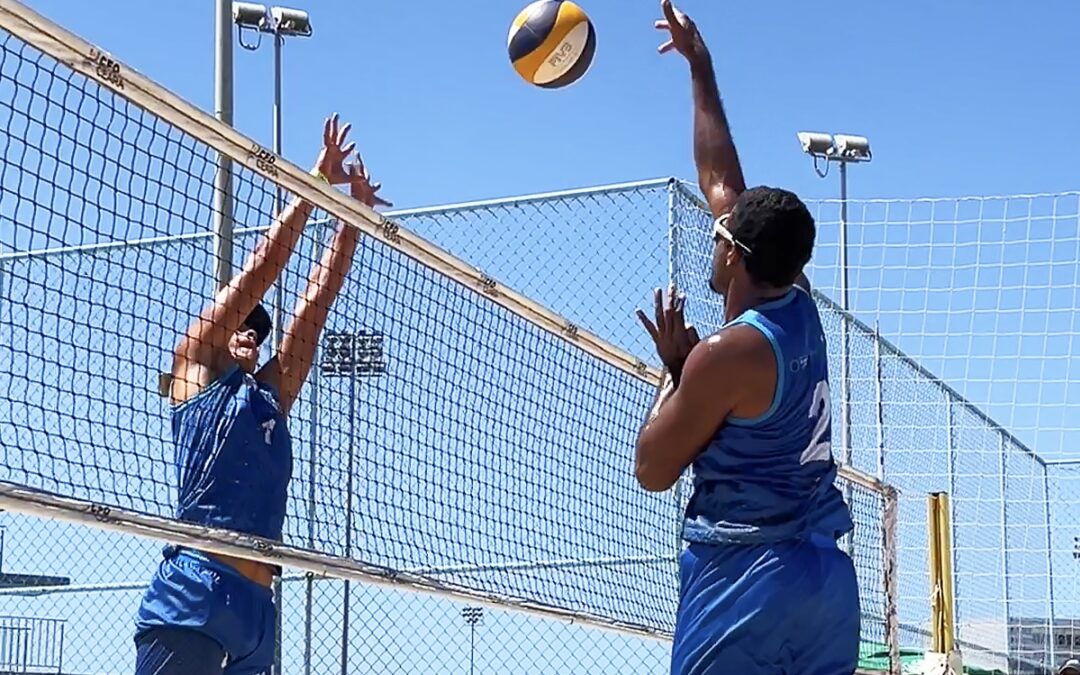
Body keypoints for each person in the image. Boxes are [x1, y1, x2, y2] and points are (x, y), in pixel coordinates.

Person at [633, 2, 861, 673]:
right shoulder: (799, 303)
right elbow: (721, 181)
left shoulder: (726, 354)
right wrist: (700, 68)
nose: (714, 227)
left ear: (733, 256)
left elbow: (652, 467)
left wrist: (674, 369)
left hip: (745, 578)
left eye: (721, 233)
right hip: (823, 578)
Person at [133, 114, 390, 675]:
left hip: (257, 610)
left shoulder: (269, 397)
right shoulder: (193, 367)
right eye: (240, 323)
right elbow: (264, 268)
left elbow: (313, 310)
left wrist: (351, 221)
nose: (250, 330)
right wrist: (316, 185)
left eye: (258, 328)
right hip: (193, 595)